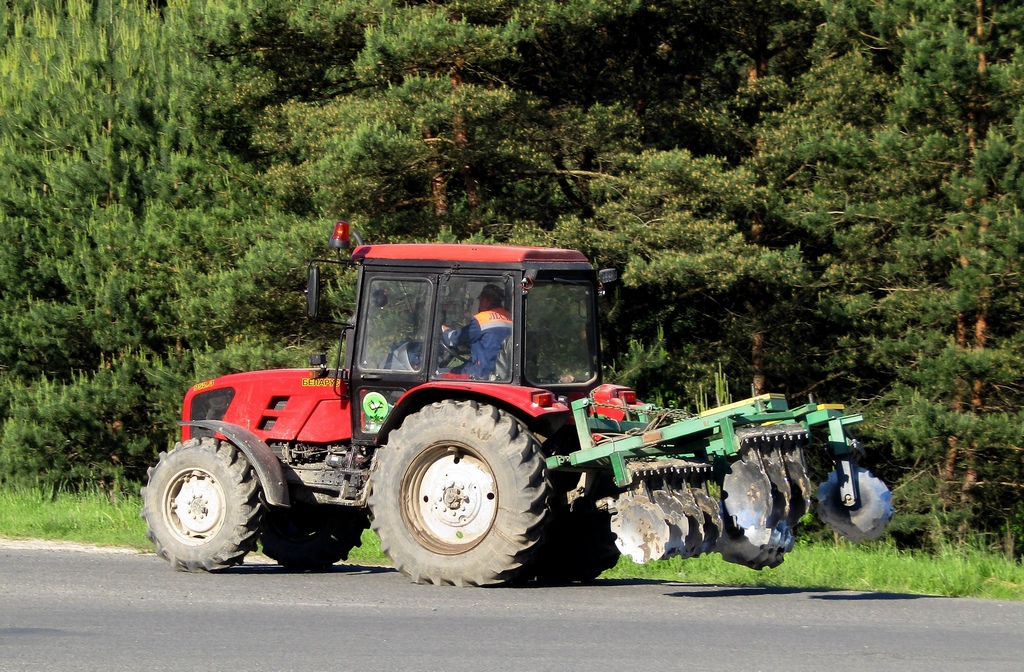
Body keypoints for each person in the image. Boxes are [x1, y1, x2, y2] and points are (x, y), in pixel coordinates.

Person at [440, 284, 512, 379]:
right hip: (502, 373)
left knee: (441, 374)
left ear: (486, 301)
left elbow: (455, 339)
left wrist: (445, 330)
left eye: (480, 300)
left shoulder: (481, 319)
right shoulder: (510, 317)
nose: (479, 304)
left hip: (480, 372)